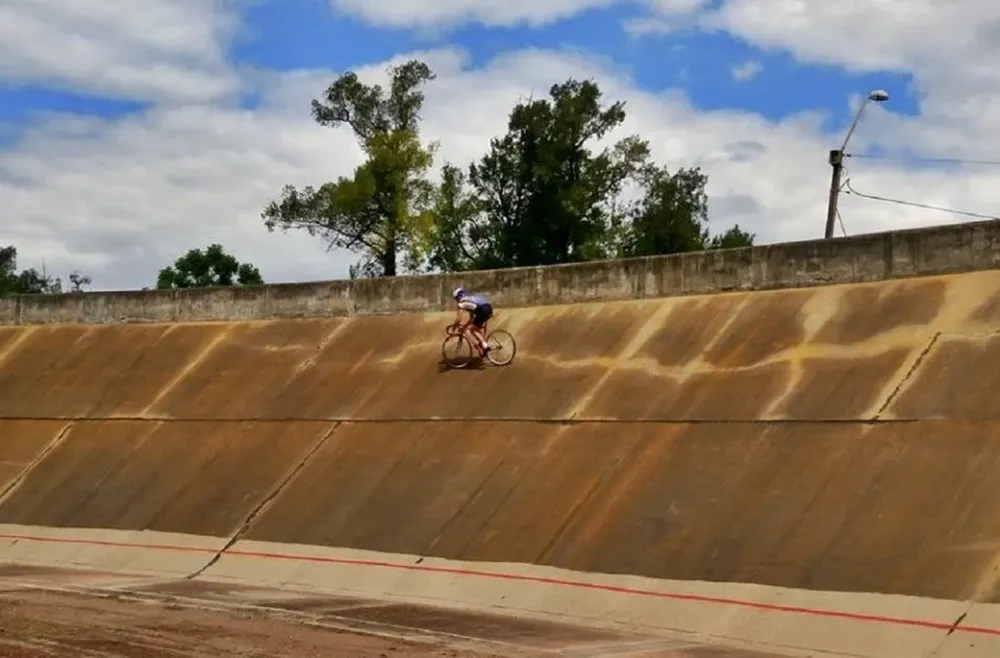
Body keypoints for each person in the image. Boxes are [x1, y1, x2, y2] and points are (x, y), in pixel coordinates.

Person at [450, 287, 493, 354]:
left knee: (473, 330)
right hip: (488, 307)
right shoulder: (469, 300)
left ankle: (485, 346)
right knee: (477, 327)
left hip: (482, 310)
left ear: (458, 297)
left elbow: (458, 319)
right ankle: (483, 348)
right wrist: (465, 326)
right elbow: (472, 319)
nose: (456, 300)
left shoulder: (461, 303)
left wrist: (453, 328)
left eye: (456, 298)